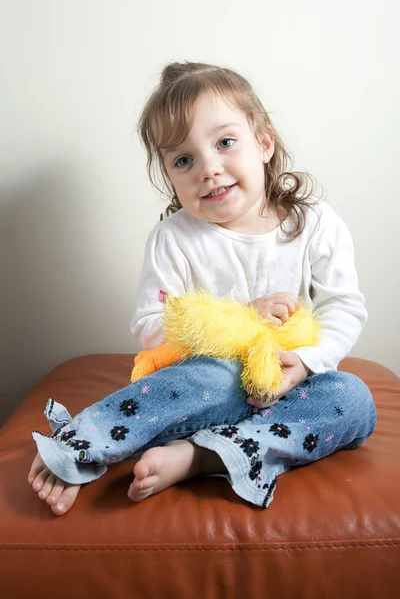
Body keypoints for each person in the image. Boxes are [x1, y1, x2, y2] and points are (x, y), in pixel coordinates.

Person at [28, 61, 376, 516]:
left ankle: (204, 457)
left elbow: (343, 307)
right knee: (215, 376)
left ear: (264, 143)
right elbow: (151, 326)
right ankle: (82, 443)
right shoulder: (173, 239)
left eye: (225, 143)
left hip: (288, 392)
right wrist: (242, 319)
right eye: (184, 160)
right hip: (206, 394)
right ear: (169, 175)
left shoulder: (313, 224)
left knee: (355, 399)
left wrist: (306, 365)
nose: (208, 169)